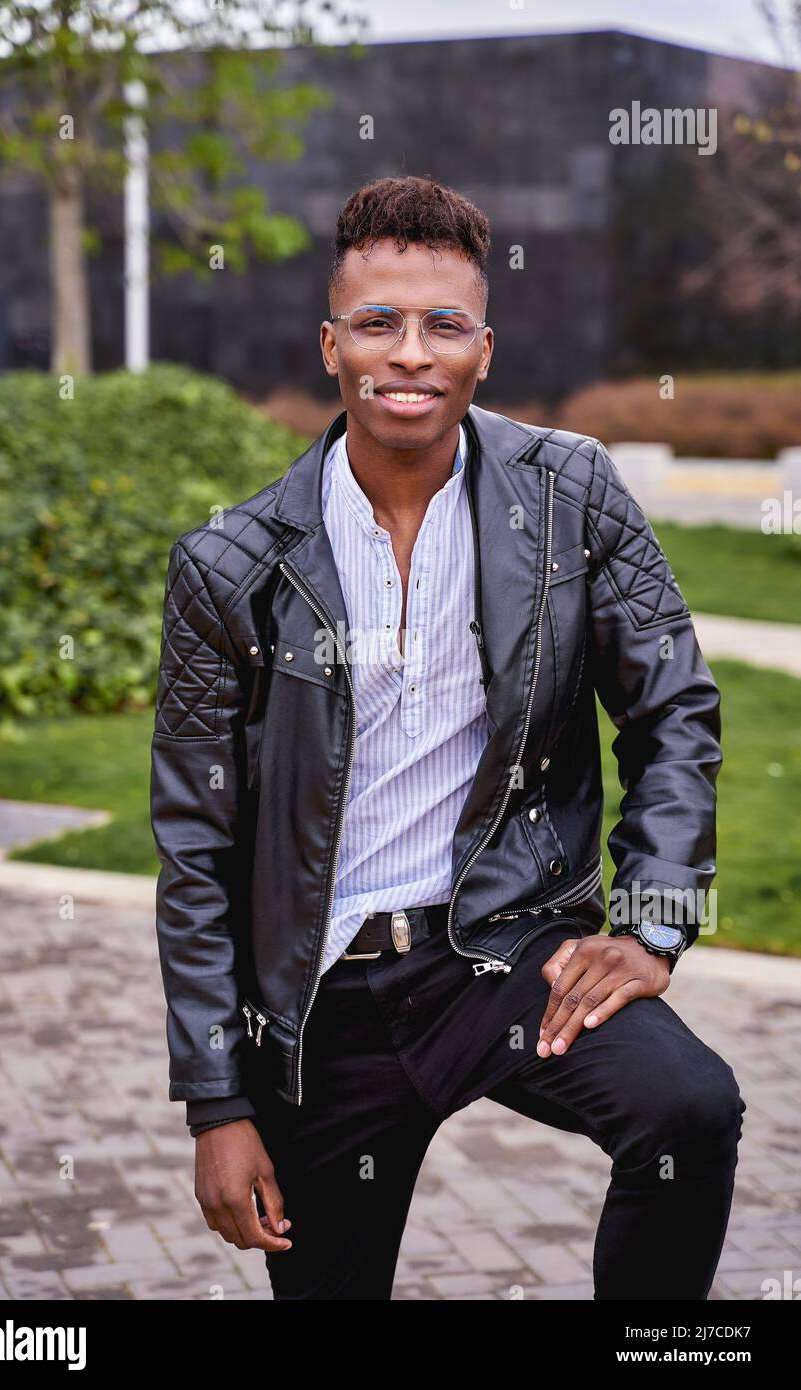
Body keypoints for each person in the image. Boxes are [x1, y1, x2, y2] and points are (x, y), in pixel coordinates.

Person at [150, 174, 745, 1301]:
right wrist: (218, 1103)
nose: (409, 352)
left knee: (686, 1108)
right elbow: (195, 845)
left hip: (501, 954)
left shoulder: (570, 493)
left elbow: (670, 707)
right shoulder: (229, 567)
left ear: (483, 347)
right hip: (323, 1000)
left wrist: (654, 923)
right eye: (377, 323)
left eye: (442, 324)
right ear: (330, 345)